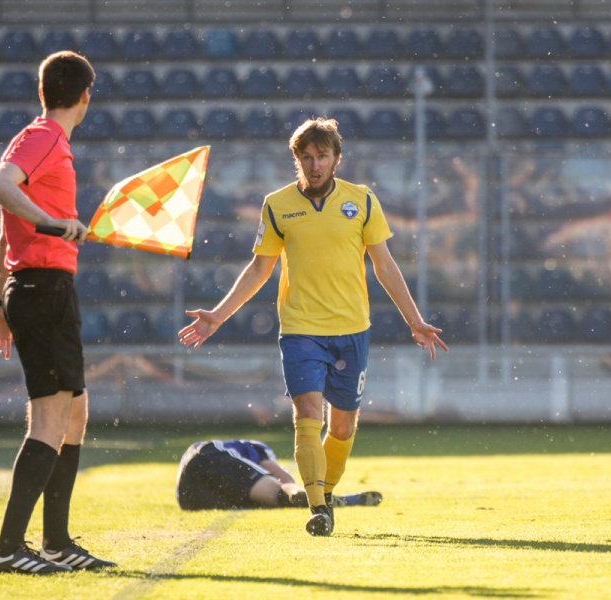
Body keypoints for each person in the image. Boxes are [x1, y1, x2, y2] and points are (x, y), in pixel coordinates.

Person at [178, 118, 448, 536]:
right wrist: (218, 314)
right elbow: (259, 268)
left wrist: (414, 321)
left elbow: (385, 265)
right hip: (300, 329)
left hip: (352, 330)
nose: (315, 164)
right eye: (307, 157)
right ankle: (318, 507)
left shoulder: (362, 200)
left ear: (337, 158)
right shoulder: (277, 205)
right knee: (307, 413)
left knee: (342, 427)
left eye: (322, 156)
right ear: (297, 160)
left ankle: (327, 494)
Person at [0, 51, 115, 574]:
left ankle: (57, 543)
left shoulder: (41, 140)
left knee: (75, 412)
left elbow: (4, 232)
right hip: (43, 289)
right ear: (86, 96)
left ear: (43, 91)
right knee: (51, 418)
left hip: (40, 288)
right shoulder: (43, 138)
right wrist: (54, 224)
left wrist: (0, 304)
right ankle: (8, 549)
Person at [176, 439, 383, 510]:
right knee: (282, 493)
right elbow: (282, 477)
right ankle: (323, 499)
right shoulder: (256, 448)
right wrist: (290, 486)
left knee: (260, 502)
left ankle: (300, 498)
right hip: (209, 454)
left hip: (187, 496)